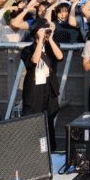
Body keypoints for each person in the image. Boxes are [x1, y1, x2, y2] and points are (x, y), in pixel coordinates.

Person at [20, 18, 63, 150]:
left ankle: (51, 149)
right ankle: (32, 149)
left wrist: (50, 39)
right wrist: (39, 41)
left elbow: (60, 57)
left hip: (49, 88)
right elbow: (34, 60)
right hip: (34, 89)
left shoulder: (51, 47)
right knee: (32, 120)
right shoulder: (27, 49)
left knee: (49, 120)